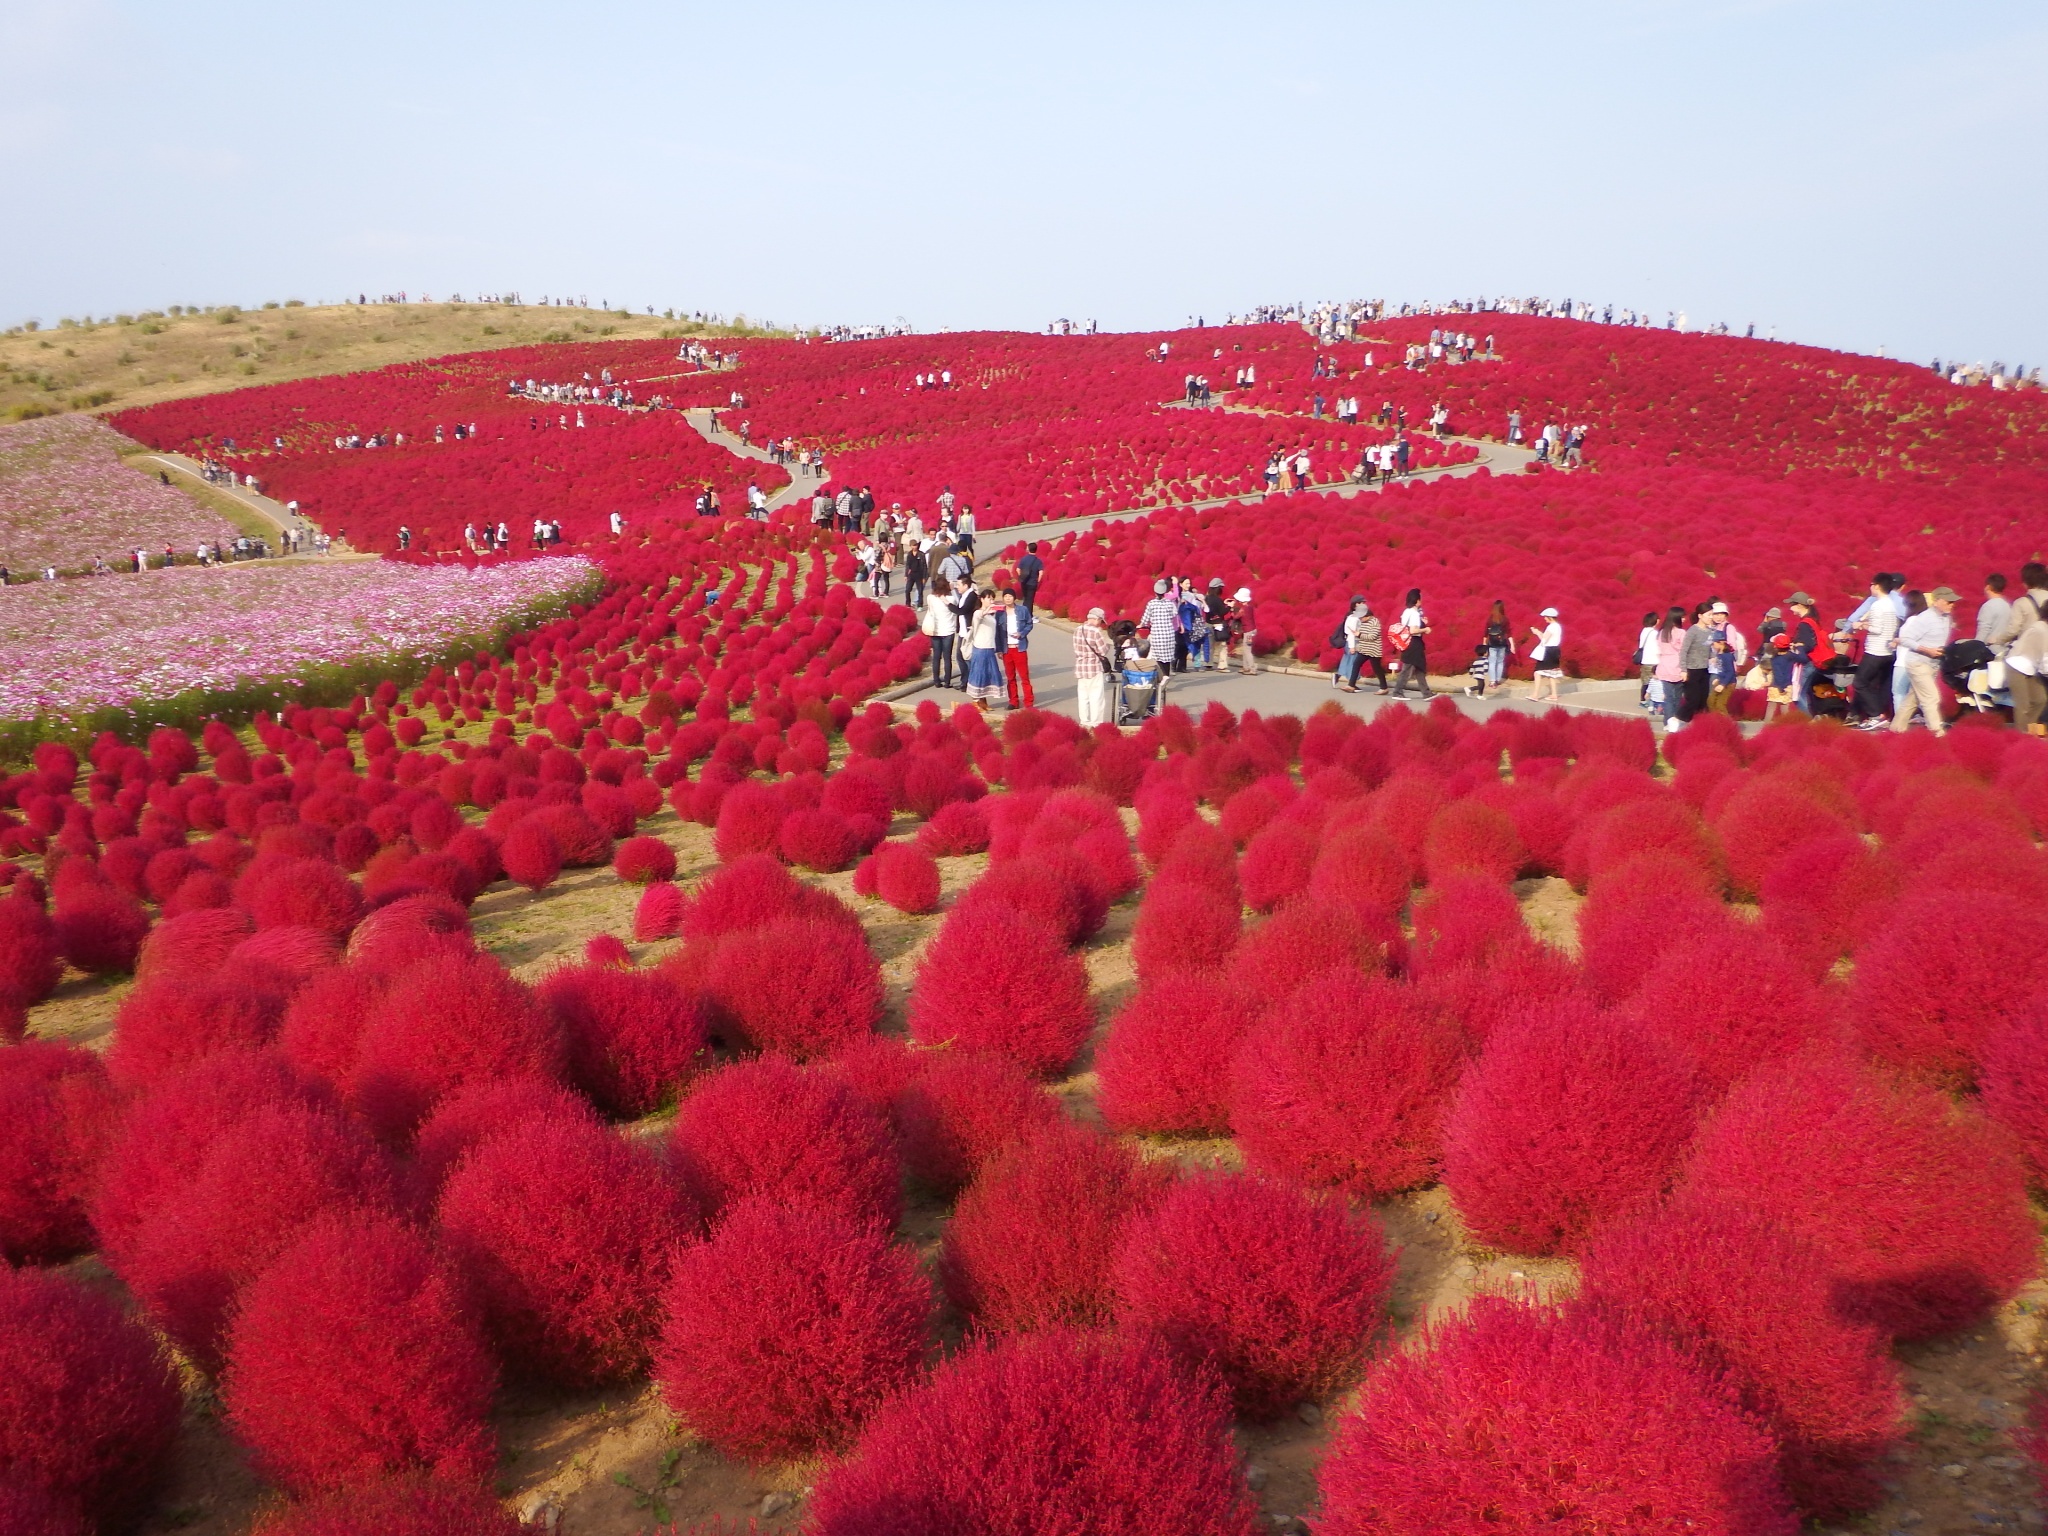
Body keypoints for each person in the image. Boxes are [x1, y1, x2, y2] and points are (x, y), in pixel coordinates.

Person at [1893, 586, 1958, 735]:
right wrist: (1927, 650)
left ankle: (1896, 729)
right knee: (1931, 697)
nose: (1952, 604)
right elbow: (1906, 640)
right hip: (1918, 663)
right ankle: (1937, 732)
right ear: (1937, 601)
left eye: (1953, 602)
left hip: (1933, 665)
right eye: (1949, 601)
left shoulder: (1946, 618)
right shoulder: (1925, 618)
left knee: (1913, 699)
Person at [1848, 574, 1900, 729]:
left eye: (1871, 584)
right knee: (1873, 684)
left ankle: (1875, 715)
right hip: (1887, 652)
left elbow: (1877, 629)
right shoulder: (1890, 604)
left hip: (1875, 651)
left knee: (1859, 683)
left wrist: (1861, 625)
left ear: (1877, 586)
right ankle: (1878, 714)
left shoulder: (1878, 605)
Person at [2002, 564, 2048, 736]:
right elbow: (2045, 660)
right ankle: (2021, 736)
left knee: (2040, 699)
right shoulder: (2041, 629)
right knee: (2023, 704)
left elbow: (2012, 631)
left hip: (2031, 667)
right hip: (2017, 666)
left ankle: (2029, 729)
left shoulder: (2023, 603)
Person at [963, 589, 1005, 711]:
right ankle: (976, 701)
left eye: (992, 599)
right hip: (980, 648)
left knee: (987, 675)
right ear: (982, 599)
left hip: (989, 648)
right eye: (988, 598)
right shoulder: (978, 613)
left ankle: (983, 701)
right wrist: (986, 611)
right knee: (978, 674)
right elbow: (978, 617)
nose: (991, 601)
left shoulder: (992, 614)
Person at [1074, 607, 1115, 728]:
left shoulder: (1078, 630)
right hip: (1093, 667)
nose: (1101, 624)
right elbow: (1103, 651)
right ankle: (1096, 722)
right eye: (1101, 621)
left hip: (1081, 667)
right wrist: (1106, 645)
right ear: (1097, 619)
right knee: (1096, 697)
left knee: (1083, 697)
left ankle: (1084, 721)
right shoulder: (1096, 632)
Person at [996, 590, 1035, 709]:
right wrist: (999, 649)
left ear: (1014, 598)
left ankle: (1028, 702)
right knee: (1010, 677)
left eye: (1010, 596)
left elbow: (1029, 624)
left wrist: (1021, 633)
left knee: (1024, 676)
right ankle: (1013, 701)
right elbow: (997, 633)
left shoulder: (1022, 610)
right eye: (1005, 596)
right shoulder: (999, 614)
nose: (1008, 598)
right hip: (1006, 649)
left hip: (1019, 648)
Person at [1141, 579, 1182, 694]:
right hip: (1168, 634)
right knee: (1167, 658)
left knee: (1156, 657)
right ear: (1165, 592)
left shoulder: (1151, 604)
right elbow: (1174, 614)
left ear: (1155, 592)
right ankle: (1165, 677)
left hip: (1157, 634)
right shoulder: (1170, 603)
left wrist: (1141, 624)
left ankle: (1161, 678)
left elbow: (1145, 619)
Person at [1677, 604, 1714, 722]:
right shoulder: (1693, 631)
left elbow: (1710, 648)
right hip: (1692, 670)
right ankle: (1679, 719)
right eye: (1709, 615)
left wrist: (1713, 657)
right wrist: (1683, 670)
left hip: (1705, 670)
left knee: (1703, 700)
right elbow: (1684, 651)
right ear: (1700, 616)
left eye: (1712, 614)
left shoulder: (1710, 631)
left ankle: (1697, 724)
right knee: (1693, 699)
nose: (1711, 617)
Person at [1390, 588, 1430, 697]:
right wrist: (1425, 629)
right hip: (1414, 643)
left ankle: (1426, 693)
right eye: (1420, 599)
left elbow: (1406, 626)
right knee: (1407, 669)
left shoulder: (1406, 612)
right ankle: (1397, 692)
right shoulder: (1414, 614)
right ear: (1416, 600)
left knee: (1419, 667)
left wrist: (1422, 622)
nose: (1421, 601)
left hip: (1407, 642)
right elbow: (1413, 630)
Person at [922, 575, 958, 690]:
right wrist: (953, 590)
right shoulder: (951, 599)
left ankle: (936, 680)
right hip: (948, 630)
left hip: (935, 630)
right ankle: (947, 681)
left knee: (936, 656)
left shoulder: (930, 598)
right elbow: (957, 604)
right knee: (947, 657)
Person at [1653, 606, 1687, 720]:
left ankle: (1667, 722)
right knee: (1677, 698)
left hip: (1663, 666)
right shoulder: (1681, 632)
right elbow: (1684, 650)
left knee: (1668, 698)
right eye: (1682, 617)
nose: (1684, 619)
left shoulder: (1662, 632)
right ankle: (1675, 721)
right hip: (1677, 667)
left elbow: (1658, 648)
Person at [1333, 595, 1370, 692]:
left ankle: (1338, 676)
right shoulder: (1354, 618)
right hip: (1353, 642)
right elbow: (1351, 633)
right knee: (1354, 663)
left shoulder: (1352, 616)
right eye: (1361, 603)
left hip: (1349, 642)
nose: (1363, 605)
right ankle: (1351, 684)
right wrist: (1352, 647)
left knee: (1347, 661)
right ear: (1355, 605)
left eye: (1364, 603)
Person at [1529, 607, 1565, 702]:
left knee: (1537, 672)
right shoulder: (1558, 626)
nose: (1544, 618)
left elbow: (1544, 638)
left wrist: (1536, 632)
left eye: (1545, 617)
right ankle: (1554, 694)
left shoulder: (1551, 627)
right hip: (1555, 650)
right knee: (1551, 673)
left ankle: (1535, 695)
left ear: (1550, 617)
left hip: (1548, 651)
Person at [1978, 574, 2014, 656]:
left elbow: (1984, 630)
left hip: (1990, 651)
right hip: (2004, 650)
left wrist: (1975, 648)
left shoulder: (1988, 606)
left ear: (1988, 587)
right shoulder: (2008, 605)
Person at [1483, 600, 1513, 691]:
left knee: (1492, 662)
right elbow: (1509, 633)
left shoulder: (1490, 619)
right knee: (1500, 662)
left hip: (1492, 644)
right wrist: (1512, 645)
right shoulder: (1505, 619)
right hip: (1502, 643)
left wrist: (1484, 644)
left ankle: (1492, 681)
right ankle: (1497, 680)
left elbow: (1485, 633)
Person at [1635, 611, 1662, 709]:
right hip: (1654, 660)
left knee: (1645, 682)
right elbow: (1657, 647)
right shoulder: (1655, 633)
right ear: (1656, 621)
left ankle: (1643, 700)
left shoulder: (1644, 631)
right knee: (1655, 682)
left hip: (1645, 661)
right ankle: (1654, 701)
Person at [1230, 587, 1258, 675]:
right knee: (1246, 649)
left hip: (1248, 632)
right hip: (1252, 630)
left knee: (1247, 650)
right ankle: (1246, 667)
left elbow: (1235, 617)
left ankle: (1252, 668)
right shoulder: (1249, 607)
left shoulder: (1243, 609)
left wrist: (1231, 610)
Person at [1017, 543, 1045, 611]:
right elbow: (1041, 573)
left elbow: (1018, 569)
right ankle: (1029, 615)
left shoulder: (1024, 559)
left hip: (1024, 581)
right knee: (1030, 599)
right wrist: (1038, 580)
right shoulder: (1038, 561)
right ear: (1036, 550)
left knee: (1025, 598)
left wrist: (1021, 577)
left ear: (1028, 549)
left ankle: (1024, 613)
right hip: (1032, 583)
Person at [904, 541, 929, 610]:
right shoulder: (909, 554)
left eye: (915, 545)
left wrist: (924, 577)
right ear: (910, 546)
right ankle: (908, 604)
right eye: (913, 545)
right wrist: (906, 575)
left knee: (920, 590)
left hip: (919, 574)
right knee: (907, 590)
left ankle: (920, 605)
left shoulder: (921, 554)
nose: (914, 547)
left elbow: (924, 566)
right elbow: (907, 565)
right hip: (911, 574)